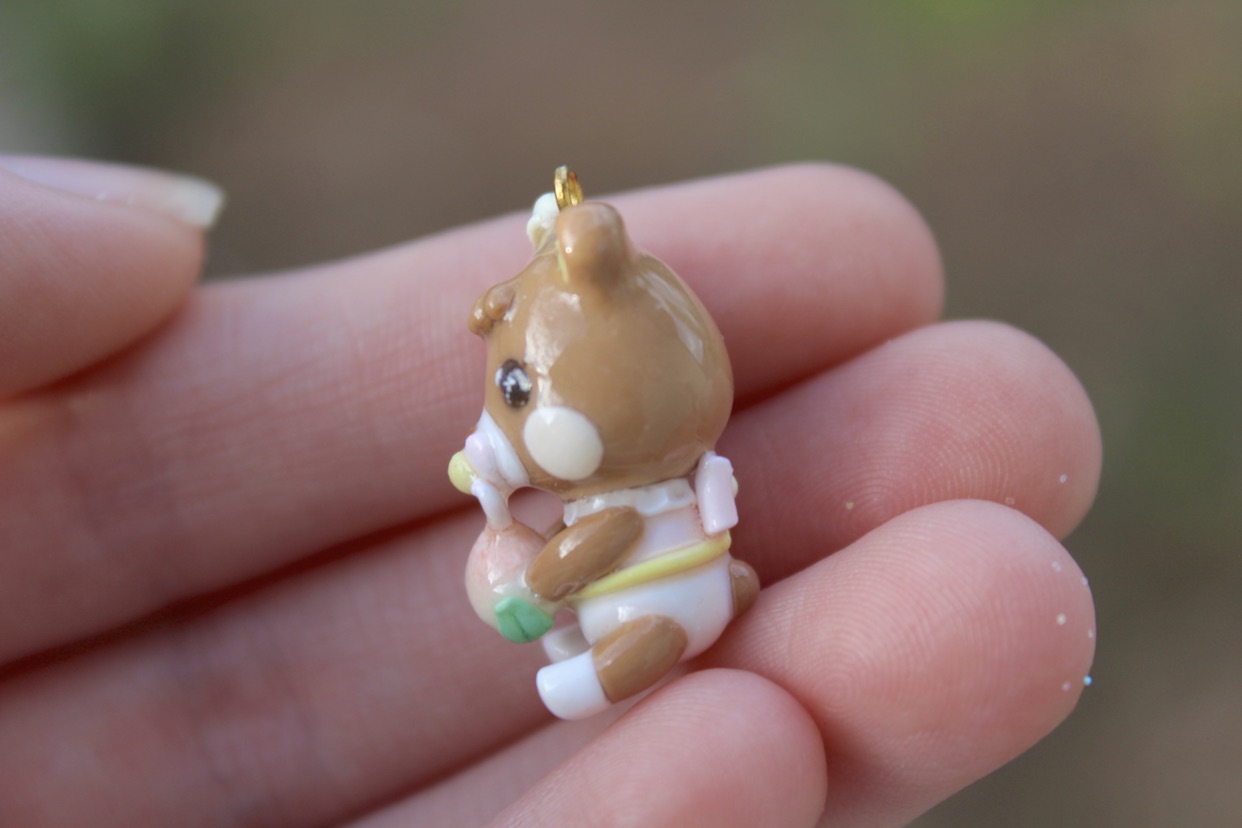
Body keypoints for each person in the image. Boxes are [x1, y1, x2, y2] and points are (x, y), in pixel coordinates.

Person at [0, 158, 1100, 827]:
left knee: (621, 662)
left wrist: (543, 583)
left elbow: (585, 552)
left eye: (518, 392)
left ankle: (585, 683)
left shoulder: (613, 508)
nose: (505, 418)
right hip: (698, 583)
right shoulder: (607, 472)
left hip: (661, 612)